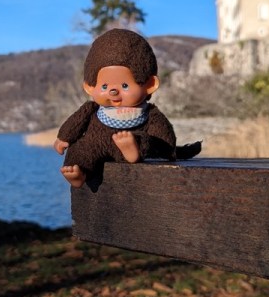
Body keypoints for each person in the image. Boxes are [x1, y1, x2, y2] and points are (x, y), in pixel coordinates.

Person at [54, 28, 200, 188]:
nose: (113, 91)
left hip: (133, 139)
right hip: (97, 143)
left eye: (124, 85)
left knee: (145, 140)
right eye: (104, 86)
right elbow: (77, 122)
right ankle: (78, 173)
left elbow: (163, 135)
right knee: (79, 148)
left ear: (149, 85)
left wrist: (168, 149)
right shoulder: (91, 108)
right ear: (90, 87)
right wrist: (64, 138)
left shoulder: (149, 112)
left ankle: (132, 150)